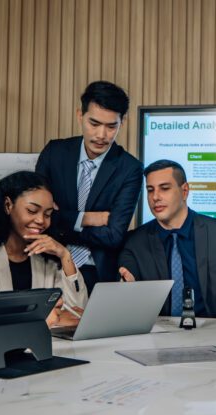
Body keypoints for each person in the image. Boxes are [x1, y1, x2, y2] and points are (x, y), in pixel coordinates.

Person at [118, 160, 216, 322]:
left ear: (185, 191)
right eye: (150, 190)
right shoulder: (134, 242)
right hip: (157, 337)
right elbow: (128, 304)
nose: (155, 197)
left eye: (164, 188)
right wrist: (126, 292)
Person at [35, 81, 143, 294]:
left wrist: (61, 220)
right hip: (46, 265)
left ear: (123, 123)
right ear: (79, 115)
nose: (101, 135)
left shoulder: (130, 169)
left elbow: (113, 236)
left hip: (97, 272)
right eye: (94, 123)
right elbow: (37, 218)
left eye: (111, 126)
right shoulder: (54, 153)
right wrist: (87, 218)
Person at [0, 171, 87, 325]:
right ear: (8, 205)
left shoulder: (51, 261)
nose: (40, 220)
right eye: (32, 210)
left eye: (48, 214)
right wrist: (48, 318)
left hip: (51, 348)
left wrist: (65, 256)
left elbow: (77, 315)